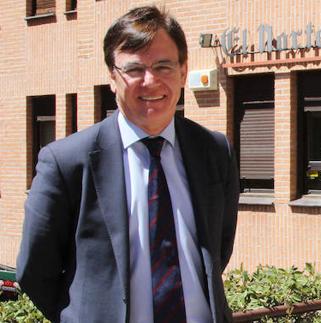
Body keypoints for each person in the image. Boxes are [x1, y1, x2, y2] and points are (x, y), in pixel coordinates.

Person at [16, 5, 239, 323]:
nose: (150, 81)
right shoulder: (66, 162)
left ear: (183, 70)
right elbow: (35, 270)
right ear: (112, 77)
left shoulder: (216, 151)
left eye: (163, 66)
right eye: (134, 69)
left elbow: (218, 250)